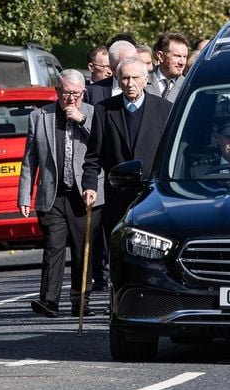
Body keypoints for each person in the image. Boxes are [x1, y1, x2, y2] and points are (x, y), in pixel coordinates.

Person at [18, 70, 104, 318]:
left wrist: (81, 120)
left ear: (83, 93)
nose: (71, 99)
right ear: (57, 92)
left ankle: (80, 301)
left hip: (85, 193)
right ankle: (49, 300)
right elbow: (29, 159)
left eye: (76, 94)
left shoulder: (94, 113)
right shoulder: (39, 116)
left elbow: (103, 145)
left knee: (82, 249)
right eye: (66, 93)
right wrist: (25, 196)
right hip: (53, 193)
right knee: (53, 247)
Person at [82, 57, 173, 254]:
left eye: (134, 78)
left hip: (152, 194)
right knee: (120, 249)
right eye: (124, 78)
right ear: (117, 78)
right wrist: (89, 185)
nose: (130, 83)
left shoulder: (164, 109)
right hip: (118, 194)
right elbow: (93, 155)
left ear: (145, 79)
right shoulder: (104, 110)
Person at [86, 39, 137, 105]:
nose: (130, 68)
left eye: (133, 63)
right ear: (112, 68)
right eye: (124, 65)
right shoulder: (92, 91)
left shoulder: (148, 88)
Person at [146, 32, 189, 103]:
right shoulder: (142, 82)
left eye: (185, 57)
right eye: (177, 56)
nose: (182, 62)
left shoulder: (188, 87)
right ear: (161, 56)